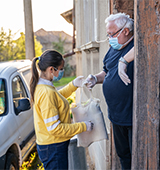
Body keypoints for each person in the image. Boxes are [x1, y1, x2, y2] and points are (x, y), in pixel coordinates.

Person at [85, 13, 134, 170]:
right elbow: (106, 72)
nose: (109, 38)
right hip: (116, 115)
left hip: (132, 117)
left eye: (112, 34)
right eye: (108, 34)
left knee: (137, 155)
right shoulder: (113, 49)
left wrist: (124, 60)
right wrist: (95, 78)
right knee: (123, 155)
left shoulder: (138, 47)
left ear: (125, 31)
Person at [30, 50, 94, 170]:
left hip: (51, 146)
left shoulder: (43, 86)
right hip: (53, 147)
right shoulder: (46, 92)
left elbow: (56, 99)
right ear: (51, 69)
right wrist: (83, 126)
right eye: (60, 68)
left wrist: (73, 85)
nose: (62, 72)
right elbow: (55, 128)